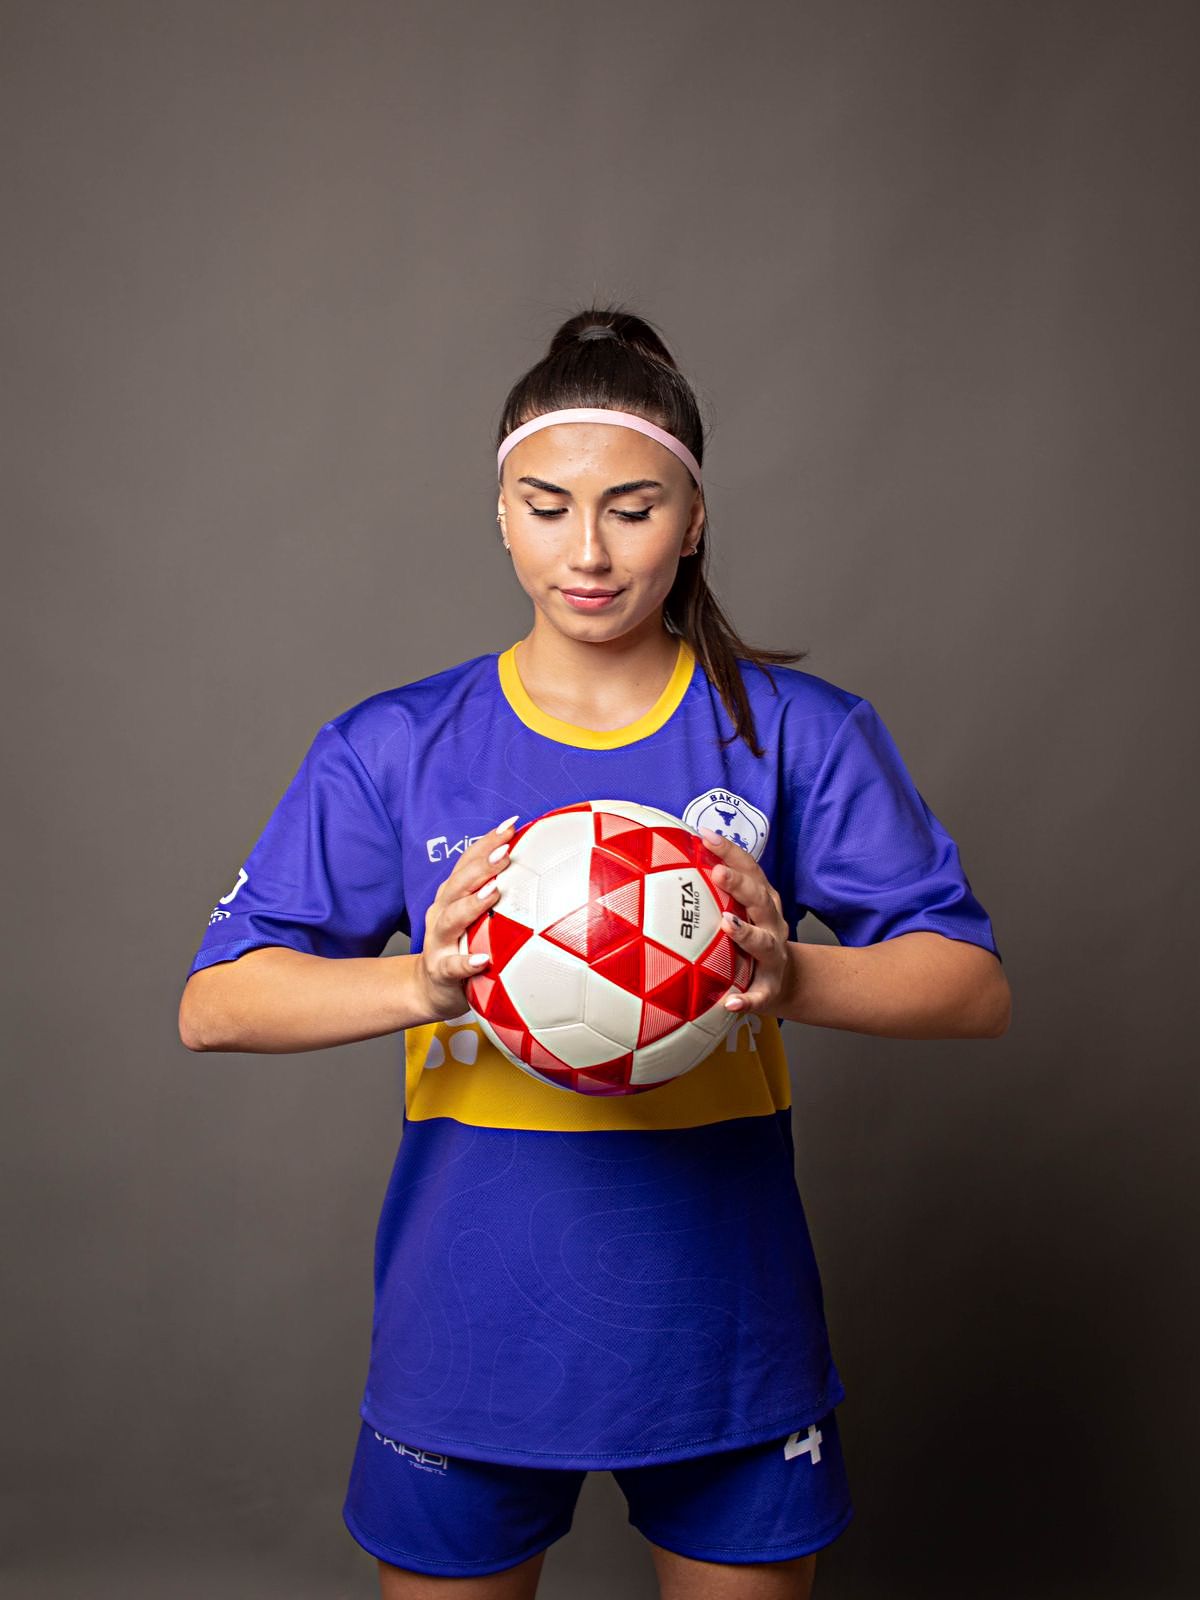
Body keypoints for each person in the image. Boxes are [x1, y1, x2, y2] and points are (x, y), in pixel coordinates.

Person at [179, 305, 1010, 1600]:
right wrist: (426, 979)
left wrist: (787, 973)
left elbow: (971, 985)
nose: (588, 549)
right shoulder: (395, 744)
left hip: (725, 1334)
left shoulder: (796, 732)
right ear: (499, 514)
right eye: (547, 504)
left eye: (632, 507)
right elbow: (216, 1008)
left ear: (692, 521)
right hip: (470, 1328)